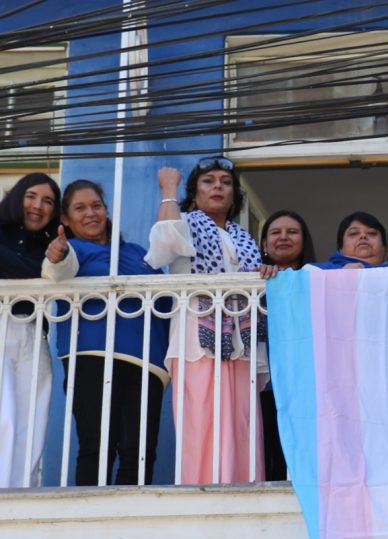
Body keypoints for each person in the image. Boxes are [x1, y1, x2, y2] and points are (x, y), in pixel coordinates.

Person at [147, 156, 266, 484]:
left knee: (242, 425)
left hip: (241, 344)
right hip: (197, 342)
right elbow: (165, 243)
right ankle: (203, 491)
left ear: (234, 195)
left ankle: (244, 493)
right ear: (195, 193)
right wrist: (169, 188)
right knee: (202, 422)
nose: (218, 187)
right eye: (208, 181)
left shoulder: (243, 237)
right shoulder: (185, 221)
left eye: (225, 183)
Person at [42, 180, 168, 485]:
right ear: (65, 218)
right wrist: (56, 254)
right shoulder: (73, 249)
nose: (90, 214)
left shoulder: (137, 252)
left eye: (96, 206)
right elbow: (57, 271)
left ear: (106, 210)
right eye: (80, 208)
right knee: (96, 447)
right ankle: (88, 522)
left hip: (146, 362)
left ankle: (131, 524)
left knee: (139, 452)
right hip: (93, 356)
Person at [0, 173, 60, 488]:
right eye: (31, 196)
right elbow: (40, 276)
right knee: (4, 416)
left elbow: (56, 275)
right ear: (16, 195)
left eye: (48, 201)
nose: (38, 206)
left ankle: (20, 493)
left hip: (34, 331)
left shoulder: (54, 246)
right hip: (2, 322)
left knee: (32, 418)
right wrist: (36, 273)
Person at [257, 210, 317, 480]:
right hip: (267, 377)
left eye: (292, 232)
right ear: (264, 244)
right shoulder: (252, 280)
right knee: (270, 447)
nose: (283, 237)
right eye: (275, 232)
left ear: (304, 241)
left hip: (310, 378)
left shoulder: (319, 276)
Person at [309, 211, 388, 269]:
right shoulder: (315, 272)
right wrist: (340, 275)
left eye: (371, 233)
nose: (363, 236)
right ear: (340, 248)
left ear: (385, 249)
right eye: (354, 233)